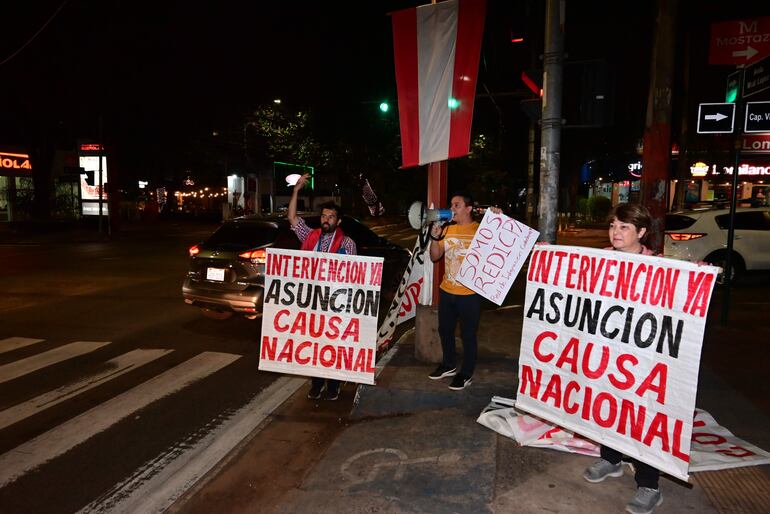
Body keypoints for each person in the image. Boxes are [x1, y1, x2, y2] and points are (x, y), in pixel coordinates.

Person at [582, 202, 662, 514]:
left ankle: (649, 484)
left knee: (642, 415)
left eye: (624, 227)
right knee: (606, 403)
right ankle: (611, 458)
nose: (616, 232)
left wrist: (696, 273)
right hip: (608, 351)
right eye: (614, 226)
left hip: (642, 357)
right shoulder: (602, 257)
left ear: (641, 232)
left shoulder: (659, 265)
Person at [287, 173, 357, 401]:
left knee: (333, 344)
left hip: (335, 303)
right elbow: (292, 219)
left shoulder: (347, 243)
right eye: (324, 215)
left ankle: (333, 386)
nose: (326, 219)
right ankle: (316, 384)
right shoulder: (311, 236)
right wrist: (296, 190)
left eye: (331, 216)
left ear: (338, 221)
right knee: (314, 345)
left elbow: (356, 276)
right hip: (312, 301)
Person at [427, 194, 484, 391]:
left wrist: (498, 217)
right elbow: (435, 256)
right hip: (447, 290)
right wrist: (435, 238)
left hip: (470, 295)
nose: (452, 208)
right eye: (451, 205)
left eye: (456, 205)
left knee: (468, 335)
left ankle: (466, 373)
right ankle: (449, 364)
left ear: (468, 209)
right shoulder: (448, 229)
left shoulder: (480, 231)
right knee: (445, 330)